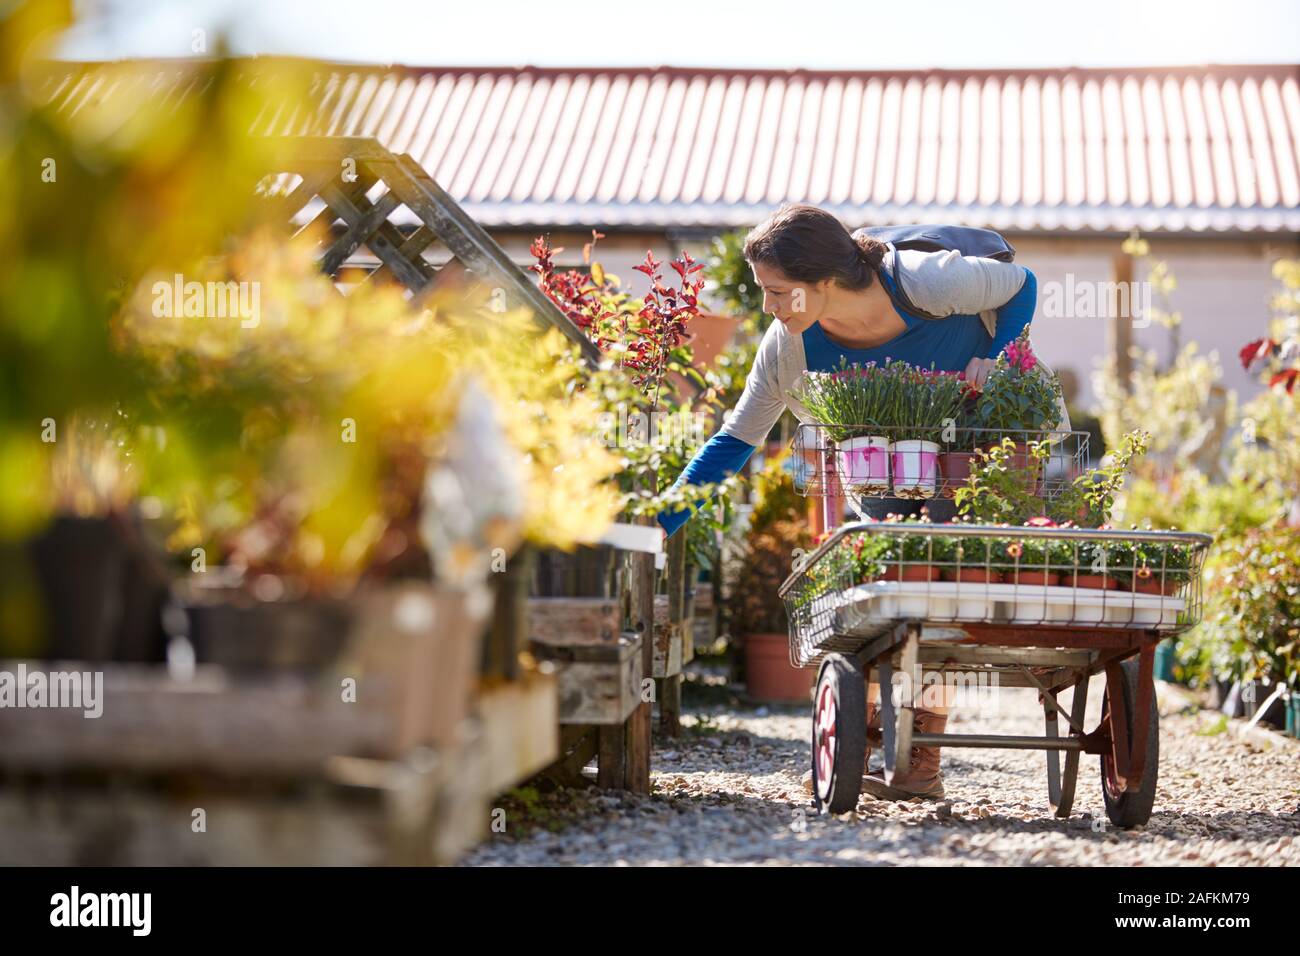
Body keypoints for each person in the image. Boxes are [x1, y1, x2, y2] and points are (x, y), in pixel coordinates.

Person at [658, 203, 1042, 801]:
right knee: (878, 585)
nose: (769, 306)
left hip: (981, 441)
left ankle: (920, 756)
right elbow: (734, 441)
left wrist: (994, 358)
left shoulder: (923, 280)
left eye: (779, 291)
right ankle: (867, 736)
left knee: (941, 589)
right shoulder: (788, 346)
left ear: (827, 282)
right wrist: (662, 520)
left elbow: (1023, 287)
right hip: (883, 461)